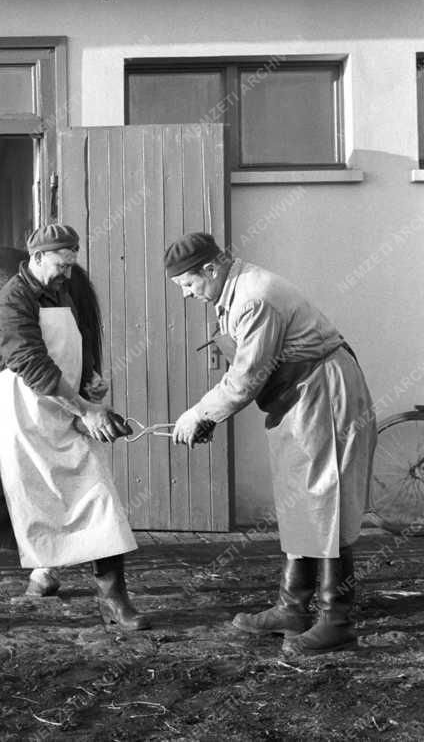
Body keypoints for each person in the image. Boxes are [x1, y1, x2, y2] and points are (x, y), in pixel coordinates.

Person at [0, 223, 144, 636]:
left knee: (96, 497)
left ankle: (116, 604)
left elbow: (77, 345)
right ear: (36, 258)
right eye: (59, 264)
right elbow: (32, 363)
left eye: (71, 264)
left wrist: (89, 378)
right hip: (11, 417)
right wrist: (86, 409)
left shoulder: (64, 293)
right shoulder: (10, 302)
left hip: (61, 413)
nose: (66, 273)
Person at [165, 232, 376, 656]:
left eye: (189, 285)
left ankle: (337, 620)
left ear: (211, 269)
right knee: (301, 500)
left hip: (320, 390)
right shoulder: (235, 289)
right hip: (296, 394)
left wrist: (200, 413)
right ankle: (292, 608)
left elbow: (246, 378)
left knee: (324, 499)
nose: (188, 295)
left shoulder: (253, 298)